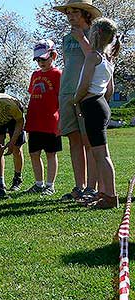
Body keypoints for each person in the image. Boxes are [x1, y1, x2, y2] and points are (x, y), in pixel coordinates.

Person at [53, 0, 103, 201]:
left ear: (86, 14)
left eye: (75, 12)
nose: (70, 16)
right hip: (66, 93)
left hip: (86, 94)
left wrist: (82, 38)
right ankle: (79, 187)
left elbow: (95, 59)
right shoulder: (66, 39)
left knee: (89, 141)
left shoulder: (96, 35)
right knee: (74, 141)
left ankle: (92, 188)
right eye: (68, 12)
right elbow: (68, 65)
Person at [74, 17, 121, 208]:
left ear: (95, 34)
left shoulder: (93, 56)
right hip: (100, 105)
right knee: (100, 154)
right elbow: (110, 90)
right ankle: (103, 193)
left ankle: (110, 196)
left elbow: (84, 85)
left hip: (92, 106)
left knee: (101, 155)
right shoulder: (108, 60)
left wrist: (75, 100)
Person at [24, 39, 62, 196]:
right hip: (35, 121)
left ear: (53, 55)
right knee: (34, 153)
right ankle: (38, 184)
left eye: (44, 59)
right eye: (38, 59)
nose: (40, 62)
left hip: (51, 121)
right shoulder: (35, 75)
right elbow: (32, 95)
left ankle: (50, 185)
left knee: (50, 154)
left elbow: (61, 97)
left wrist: (61, 120)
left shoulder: (58, 74)